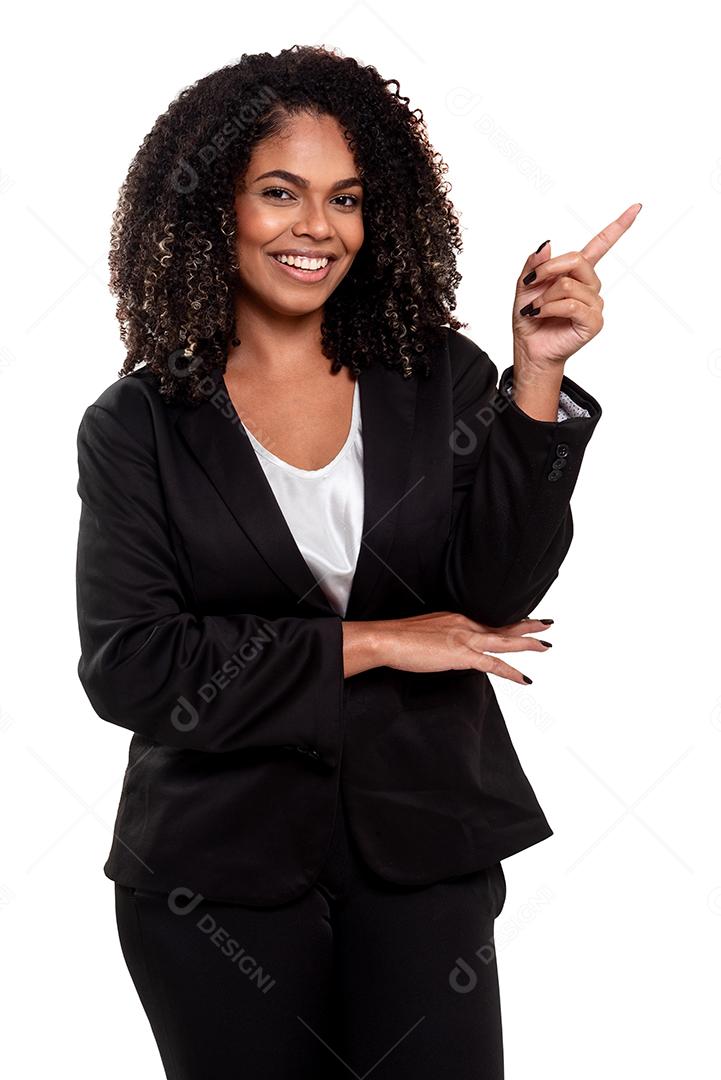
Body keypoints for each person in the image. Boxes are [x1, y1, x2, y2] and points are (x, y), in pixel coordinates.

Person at [74, 43, 640, 1080]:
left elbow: (492, 595)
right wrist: (374, 642)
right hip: (216, 876)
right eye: (278, 193)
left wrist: (536, 381)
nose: (315, 228)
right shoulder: (138, 426)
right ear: (213, 209)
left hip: (422, 847)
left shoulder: (436, 379)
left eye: (344, 198)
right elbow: (134, 667)